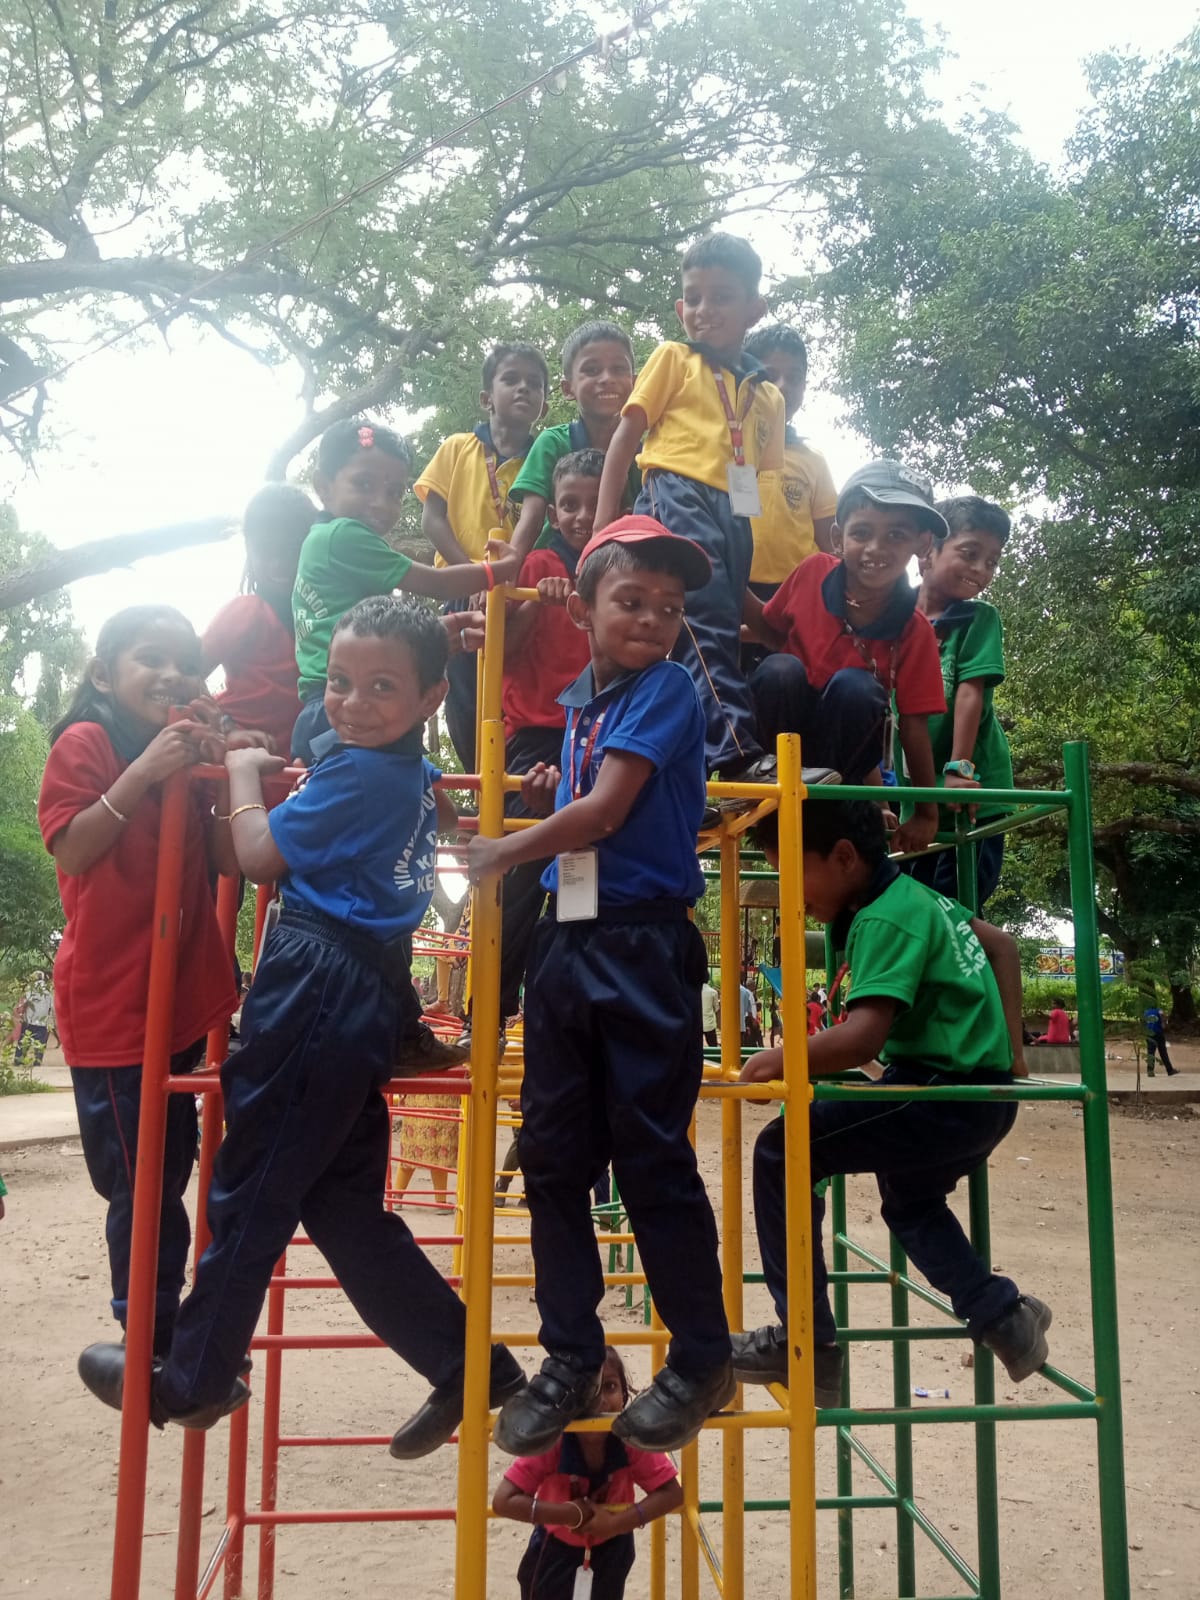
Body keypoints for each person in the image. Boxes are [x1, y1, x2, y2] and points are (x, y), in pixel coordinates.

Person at [77, 597, 526, 1439]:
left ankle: (198, 1376)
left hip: (313, 985)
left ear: (433, 698)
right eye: (340, 682)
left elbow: (253, 856)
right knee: (346, 1212)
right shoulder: (411, 774)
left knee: (248, 1191)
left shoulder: (358, 776)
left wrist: (244, 774)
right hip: (361, 989)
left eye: (381, 687)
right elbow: (438, 813)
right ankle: (472, 1366)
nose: (352, 703)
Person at [467, 516, 734, 1456]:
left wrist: (506, 845)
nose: (653, 620)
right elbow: (588, 801)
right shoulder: (585, 705)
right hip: (568, 947)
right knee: (550, 1159)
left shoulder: (665, 689)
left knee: (652, 1156)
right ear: (581, 610)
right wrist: (552, 797)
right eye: (631, 601)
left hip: (640, 947)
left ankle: (703, 1356)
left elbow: (611, 810)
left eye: (669, 607)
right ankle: (572, 1354)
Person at [733, 801, 1051, 1405]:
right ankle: (1004, 1318)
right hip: (978, 1094)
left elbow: (864, 1037)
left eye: (795, 877)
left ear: (846, 857)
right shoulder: (923, 901)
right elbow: (1004, 947)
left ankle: (808, 1344)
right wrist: (1015, 1056)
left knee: (783, 1148)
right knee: (911, 1204)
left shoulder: (884, 917)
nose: (792, 897)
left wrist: (778, 1058)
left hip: (938, 1094)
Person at [37, 606, 239, 1358]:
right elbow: (75, 850)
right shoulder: (88, 742)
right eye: (149, 659)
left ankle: (176, 1328)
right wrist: (146, 770)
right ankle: (145, 1330)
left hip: (179, 994)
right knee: (140, 1172)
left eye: (186, 662)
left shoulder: (187, 747)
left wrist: (230, 767)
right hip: (115, 996)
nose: (171, 675)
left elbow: (228, 859)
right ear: (102, 675)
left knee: (176, 1160)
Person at [595, 233, 785, 781]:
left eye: (721, 297)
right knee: (699, 622)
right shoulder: (674, 359)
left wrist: (752, 599)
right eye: (693, 298)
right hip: (675, 492)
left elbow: (756, 482)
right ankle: (732, 755)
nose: (704, 311)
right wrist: (606, 524)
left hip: (734, 514)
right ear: (680, 308)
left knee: (720, 625)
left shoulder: (765, 394)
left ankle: (699, 757)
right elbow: (627, 435)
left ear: (755, 308)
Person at [462, 449, 602, 1048]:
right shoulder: (540, 560)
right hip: (540, 736)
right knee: (517, 868)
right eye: (568, 504)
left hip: (596, 736)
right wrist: (532, 598)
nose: (580, 515)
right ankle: (487, 1013)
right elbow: (502, 650)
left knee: (581, 873)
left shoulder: (617, 569)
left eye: (594, 503)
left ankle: (565, 1017)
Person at [744, 459, 947, 853]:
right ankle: (762, 781)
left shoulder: (914, 629)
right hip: (784, 742)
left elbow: (914, 727)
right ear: (838, 537)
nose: (876, 548)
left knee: (856, 686)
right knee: (780, 668)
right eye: (862, 533)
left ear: (922, 544)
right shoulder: (813, 572)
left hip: (844, 757)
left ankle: (834, 800)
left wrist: (926, 813)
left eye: (896, 535)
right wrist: (727, 581)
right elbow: (770, 631)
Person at [291, 416, 515, 763]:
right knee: (399, 800)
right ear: (324, 486)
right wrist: (499, 571)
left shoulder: (320, 540)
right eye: (363, 484)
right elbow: (437, 584)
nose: (381, 503)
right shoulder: (344, 536)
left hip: (327, 702)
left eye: (394, 492)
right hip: (353, 700)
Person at [415, 342, 550, 768]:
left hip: (521, 596)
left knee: (517, 697)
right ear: (486, 397)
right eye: (511, 379)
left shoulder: (546, 455)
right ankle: (478, 782)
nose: (523, 389)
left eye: (535, 383)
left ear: (545, 403)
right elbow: (432, 519)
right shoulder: (457, 448)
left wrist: (502, 581)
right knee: (465, 696)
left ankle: (513, 790)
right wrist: (474, 575)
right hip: (462, 591)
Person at [493, 1347, 682, 1600]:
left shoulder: (629, 1440)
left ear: (625, 1396)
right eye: (587, 1390)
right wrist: (570, 1514)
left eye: (610, 1387)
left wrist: (616, 1524)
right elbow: (503, 1500)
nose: (599, 1400)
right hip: (554, 1549)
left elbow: (672, 1493)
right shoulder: (554, 1441)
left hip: (613, 1548)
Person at [904, 494, 1014, 907]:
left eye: (992, 561)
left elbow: (970, 693)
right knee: (913, 906)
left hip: (971, 793)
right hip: (918, 794)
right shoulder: (893, 619)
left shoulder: (978, 619)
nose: (981, 570)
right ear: (927, 550)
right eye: (970, 554)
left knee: (958, 908)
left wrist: (958, 769)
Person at [507, 321, 639, 566]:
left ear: (635, 383)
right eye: (591, 370)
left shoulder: (643, 454)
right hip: (552, 576)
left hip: (617, 573)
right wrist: (506, 570)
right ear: (568, 389)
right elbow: (532, 518)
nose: (607, 379)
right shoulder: (553, 443)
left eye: (618, 369)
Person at [203, 482, 317, 755]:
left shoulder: (327, 617)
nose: (279, 564)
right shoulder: (246, 612)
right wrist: (227, 728)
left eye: (292, 551)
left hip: (305, 770)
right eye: (265, 551)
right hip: (244, 765)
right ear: (249, 550)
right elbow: (186, 673)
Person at [742, 325, 837, 598]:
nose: (783, 386)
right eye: (770, 376)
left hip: (797, 594)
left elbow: (829, 542)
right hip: (731, 586)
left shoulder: (813, 461)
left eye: (795, 378)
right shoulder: (724, 448)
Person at [13, 974, 56, 1071]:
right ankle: (37, 1061)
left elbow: (25, 1002)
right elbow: (52, 1007)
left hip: (29, 1020)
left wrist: (20, 1011)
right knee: (40, 1043)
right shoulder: (48, 991)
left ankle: (18, 1059)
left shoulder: (30, 988)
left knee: (24, 1040)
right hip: (42, 1022)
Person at [1143, 1004, 1178, 1076]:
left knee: (1150, 1053)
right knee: (1163, 1052)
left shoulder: (1146, 1012)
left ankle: (1150, 1071)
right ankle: (1170, 1070)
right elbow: (1164, 1019)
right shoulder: (1159, 1011)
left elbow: (1144, 1023)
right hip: (1158, 1033)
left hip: (1149, 1034)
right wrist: (1164, 1024)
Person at [739, 977, 760, 1047]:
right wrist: (753, 1020)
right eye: (754, 985)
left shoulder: (747, 992)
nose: (755, 986)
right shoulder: (748, 993)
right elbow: (750, 1009)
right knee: (751, 1037)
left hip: (747, 1019)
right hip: (748, 1019)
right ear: (750, 986)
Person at [701, 975, 719, 1048]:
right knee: (713, 1046)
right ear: (708, 979)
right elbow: (717, 1008)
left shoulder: (694, 991)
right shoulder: (713, 992)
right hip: (709, 1024)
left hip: (697, 1024)